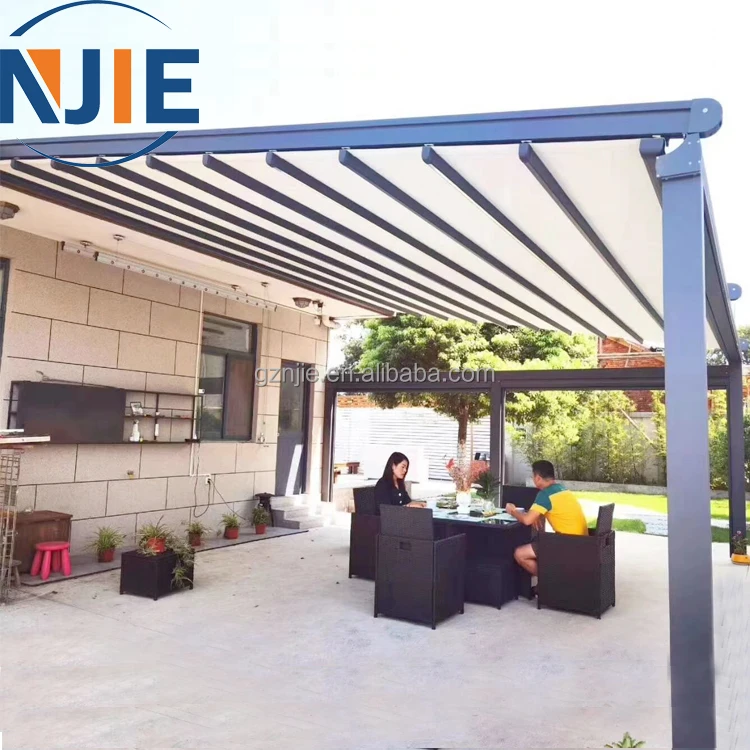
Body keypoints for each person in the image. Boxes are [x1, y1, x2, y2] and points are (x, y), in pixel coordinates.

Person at [506, 460, 588, 579]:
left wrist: (512, 510)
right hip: (582, 542)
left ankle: (548, 582)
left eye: (533, 476)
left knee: (520, 554)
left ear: (538, 478)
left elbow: (527, 520)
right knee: (538, 542)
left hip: (566, 544)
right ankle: (551, 580)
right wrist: (537, 515)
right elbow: (555, 510)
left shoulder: (545, 494)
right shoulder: (562, 489)